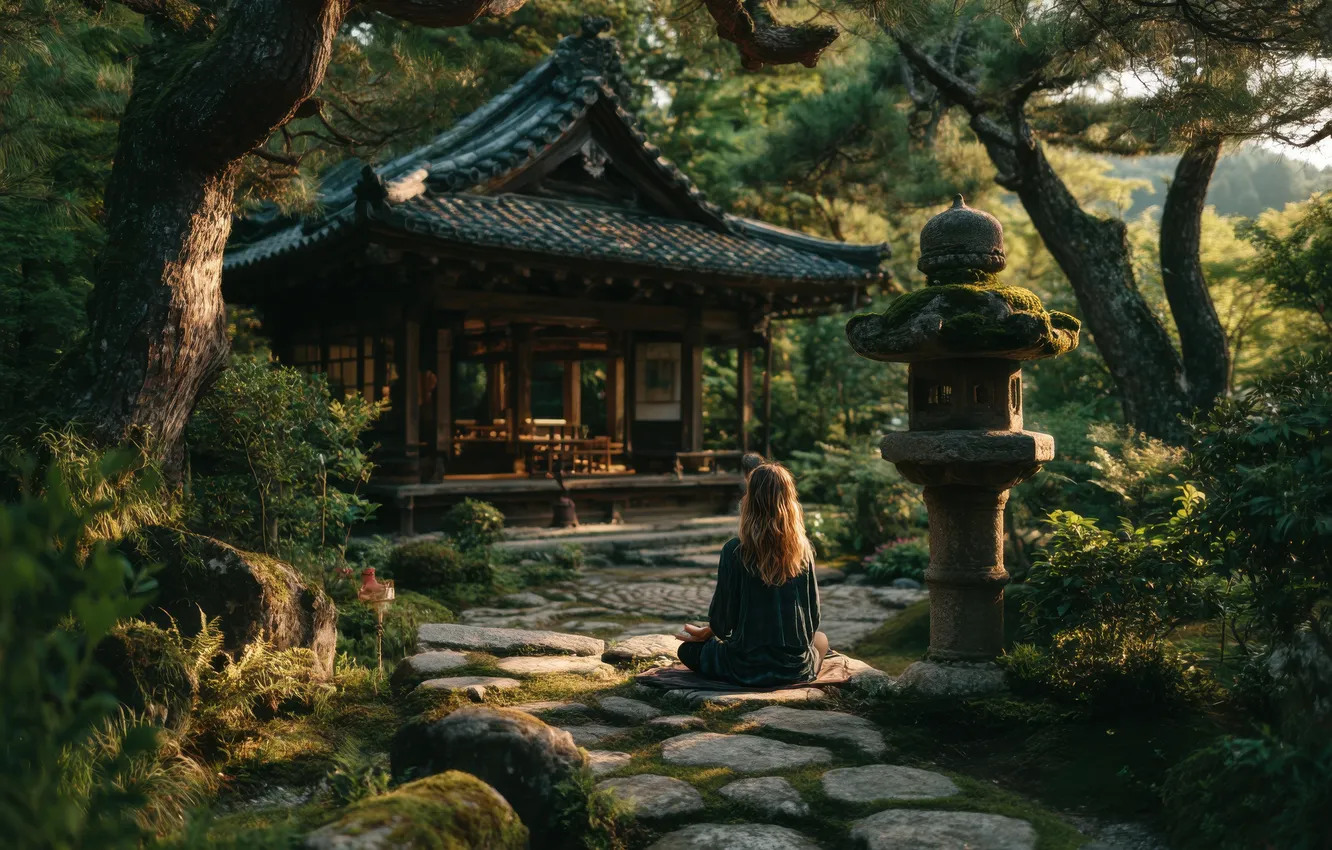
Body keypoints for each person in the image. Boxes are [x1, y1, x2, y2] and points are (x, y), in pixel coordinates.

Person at [674, 462, 830, 687]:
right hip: (793, 669)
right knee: (821, 640)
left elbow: (723, 621)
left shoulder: (734, 550)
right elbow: (813, 617)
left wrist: (709, 631)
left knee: (687, 650)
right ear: (789, 501)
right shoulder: (803, 549)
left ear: (750, 500)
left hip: (744, 667)